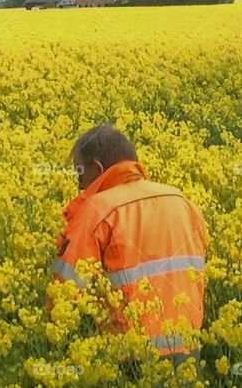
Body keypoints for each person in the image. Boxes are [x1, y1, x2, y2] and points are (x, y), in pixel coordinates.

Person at [50, 124, 209, 368]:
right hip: (187, 349)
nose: (80, 185)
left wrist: (50, 336)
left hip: (130, 357)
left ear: (98, 168)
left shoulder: (97, 211)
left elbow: (64, 291)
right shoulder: (181, 201)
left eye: (80, 174)